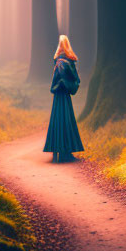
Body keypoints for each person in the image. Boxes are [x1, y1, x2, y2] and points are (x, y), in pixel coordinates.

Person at [43, 34, 85, 162]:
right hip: (65, 95)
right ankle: (66, 153)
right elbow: (74, 78)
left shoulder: (58, 61)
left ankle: (56, 152)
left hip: (58, 95)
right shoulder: (67, 62)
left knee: (57, 120)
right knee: (65, 119)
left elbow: (56, 79)